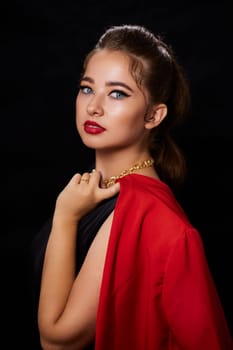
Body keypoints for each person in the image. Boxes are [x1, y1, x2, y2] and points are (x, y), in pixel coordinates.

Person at [30, 24, 233, 350]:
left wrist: (65, 216)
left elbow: (57, 340)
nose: (93, 107)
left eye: (117, 93)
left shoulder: (143, 211)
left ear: (153, 115)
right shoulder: (95, 190)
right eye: (86, 88)